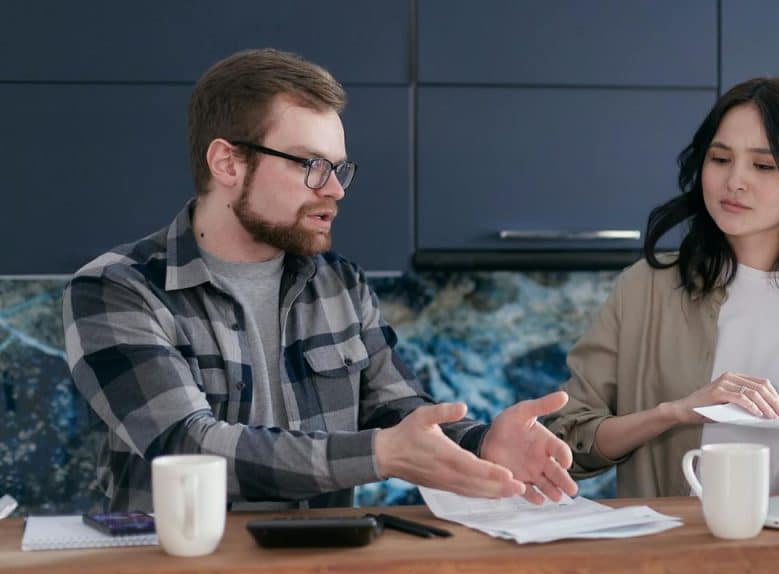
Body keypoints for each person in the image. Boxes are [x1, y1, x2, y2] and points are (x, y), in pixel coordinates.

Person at [63, 48, 577, 512]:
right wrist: (379, 455)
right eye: (311, 164)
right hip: (183, 566)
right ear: (227, 163)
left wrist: (482, 443)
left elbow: (399, 415)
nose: (334, 189)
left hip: (323, 561)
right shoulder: (117, 290)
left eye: (338, 168)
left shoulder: (340, 286)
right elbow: (186, 447)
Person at [546, 77, 779, 498]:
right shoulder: (643, 289)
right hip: (680, 552)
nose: (734, 181)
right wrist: (675, 413)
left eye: (763, 165)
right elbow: (571, 436)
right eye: (720, 159)